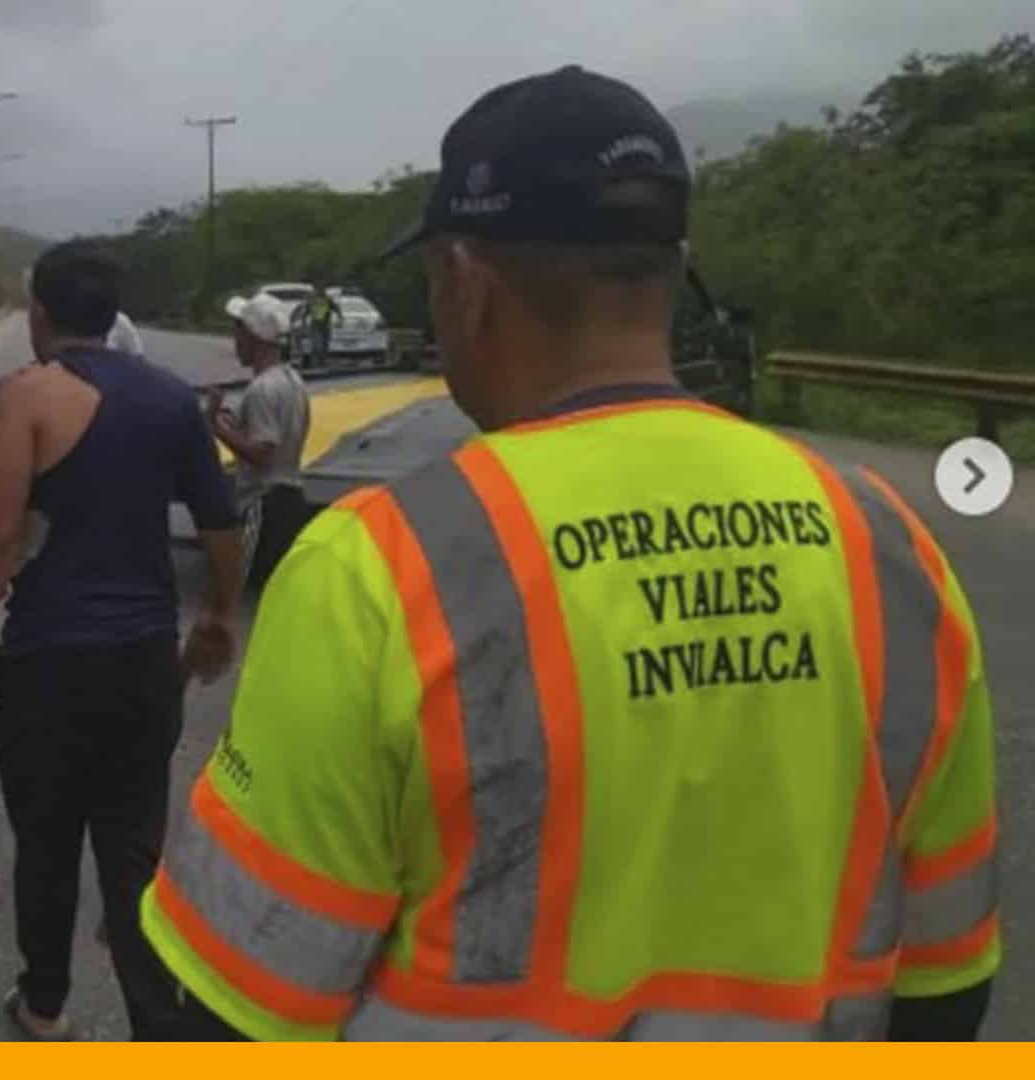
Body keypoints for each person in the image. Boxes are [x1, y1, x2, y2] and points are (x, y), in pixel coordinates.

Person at [139, 64, 999, 1042]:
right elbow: (947, 984)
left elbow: (231, 1011)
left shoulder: (377, 569)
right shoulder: (889, 546)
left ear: (463, 281)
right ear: (675, 269)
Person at [0, 241, 247, 1041]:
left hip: (48, 664)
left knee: (46, 846)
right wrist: (218, 614)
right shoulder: (173, 399)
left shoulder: (25, 396)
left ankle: (44, 1009)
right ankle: (154, 1026)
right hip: (144, 660)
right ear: (111, 314)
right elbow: (221, 521)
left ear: (38, 312)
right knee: (133, 850)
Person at [206, 301, 312, 591]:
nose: (235, 342)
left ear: (253, 338)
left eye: (238, 334)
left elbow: (264, 454)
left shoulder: (262, 389)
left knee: (239, 591)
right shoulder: (293, 382)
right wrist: (234, 424)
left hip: (264, 505)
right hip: (291, 497)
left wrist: (214, 428)